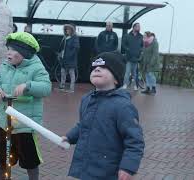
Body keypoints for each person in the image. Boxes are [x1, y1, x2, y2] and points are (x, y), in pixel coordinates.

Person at [62, 52, 145, 180]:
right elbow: (83, 124)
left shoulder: (123, 106)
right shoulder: (86, 100)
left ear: (116, 79)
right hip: (82, 168)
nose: (97, 69)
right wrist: (69, 137)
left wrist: (128, 167)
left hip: (106, 172)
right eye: (94, 67)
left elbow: (135, 141)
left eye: (104, 67)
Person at [0, 32, 51, 180]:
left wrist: (27, 86)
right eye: (8, 49)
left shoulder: (36, 67)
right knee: (3, 162)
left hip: (25, 125)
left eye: (12, 50)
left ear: (24, 52)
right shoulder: (5, 66)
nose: (8, 53)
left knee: (30, 162)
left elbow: (46, 88)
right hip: (6, 124)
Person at [58, 23, 80, 92]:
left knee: (71, 73)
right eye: (66, 29)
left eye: (68, 29)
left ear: (71, 30)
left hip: (71, 59)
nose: (67, 30)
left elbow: (76, 48)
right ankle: (62, 86)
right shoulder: (65, 37)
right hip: (64, 59)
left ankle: (71, 88)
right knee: (63, 72)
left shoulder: (75, 38)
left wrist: (70, 55)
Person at [122, 23, 143, 90]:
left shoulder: (141, 36)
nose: (139, 28)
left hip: (136, 58)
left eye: (139, 27)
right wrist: (128, 49)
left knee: (135, 74)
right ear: (133, 27)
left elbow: (142, 46)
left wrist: (140, 51)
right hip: (129, 57)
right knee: (127, 72)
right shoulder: (127, 36)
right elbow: (123, 44)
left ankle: (135, 86)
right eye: (137, 26)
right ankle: (125, 84)